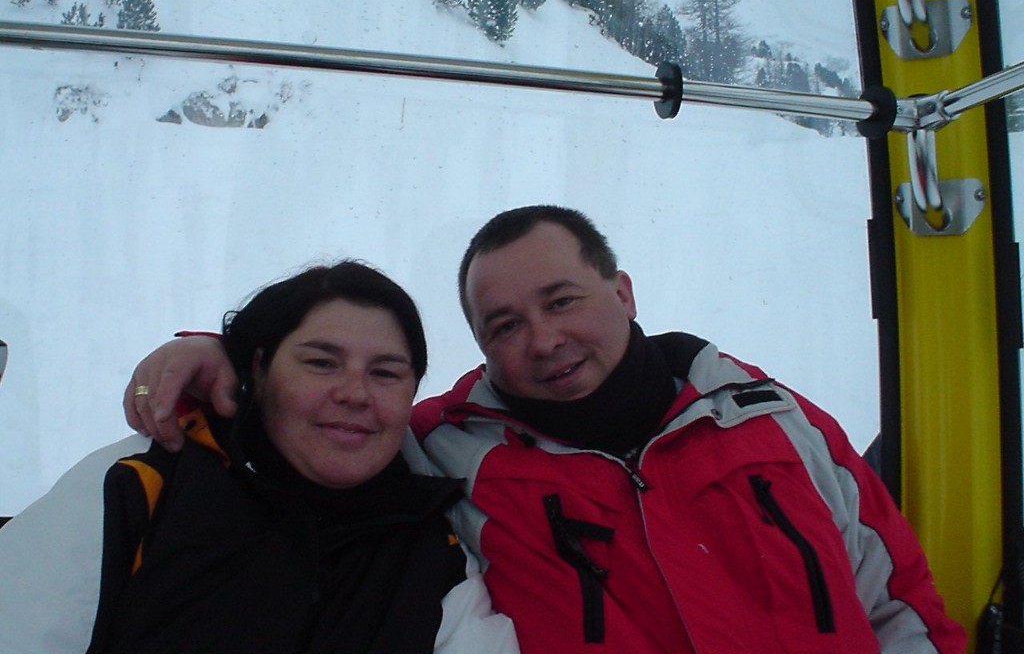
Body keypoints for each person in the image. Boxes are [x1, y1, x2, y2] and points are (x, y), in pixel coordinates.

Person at [121, 206, 966, 653]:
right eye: (505, 325)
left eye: (562, 301)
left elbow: (900, 607)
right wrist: (221, 357)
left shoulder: (773, 422)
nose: (544, 340)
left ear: (623, 293)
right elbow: (322, 426)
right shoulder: (447, 452)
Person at [0, 261, 518, 654]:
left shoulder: (433, 552)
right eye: (321, 363)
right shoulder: (141, 487)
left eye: (385, 373)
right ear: (259, 369)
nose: (355, 393)